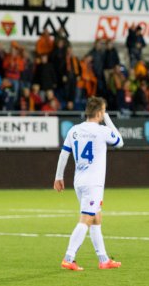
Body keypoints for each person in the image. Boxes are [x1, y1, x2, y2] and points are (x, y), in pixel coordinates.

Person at [53, 97, 124, 271]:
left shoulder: (74, 130)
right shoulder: (101, 131)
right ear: (100, 113)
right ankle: (69, 258)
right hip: (94, 184)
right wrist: (107, 119)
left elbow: (64, 154)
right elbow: (120, 142)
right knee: (86, 219)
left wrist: (58, 177)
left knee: (96, 218)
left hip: (79, 181)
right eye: (103, 112)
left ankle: (103, 259)